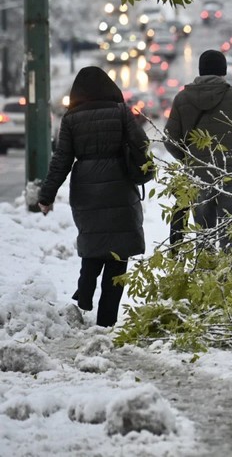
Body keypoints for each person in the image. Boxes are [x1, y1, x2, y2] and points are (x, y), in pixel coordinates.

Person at [38, 66, 149, 328]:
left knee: (93, 240)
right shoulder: (121, 112)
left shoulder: (71, 118)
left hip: (86, 187)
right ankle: (106, 320)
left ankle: (85, 291)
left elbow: (61, 160)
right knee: (118, 251)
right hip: (120, 184)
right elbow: (141, 143)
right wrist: (143, 171)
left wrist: (47, 194)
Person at [164, 49, 232, 251]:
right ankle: (227, 279)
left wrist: (189, 159)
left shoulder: (182, 99)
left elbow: (170, 139)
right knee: (230, 234)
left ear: (200, 71)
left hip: (198, 174)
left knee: (204, 236)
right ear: (223, 71)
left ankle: (204, 276)